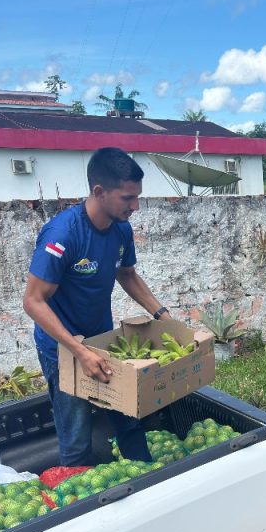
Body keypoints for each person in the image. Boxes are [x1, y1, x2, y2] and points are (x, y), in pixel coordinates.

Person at [22, 147, 170, 466]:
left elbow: (127, 275)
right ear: (99, 192)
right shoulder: (63, 234)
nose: (136, 206)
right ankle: (85, 506)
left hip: (101, 342)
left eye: (137, 197)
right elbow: (33, 301)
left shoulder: (121, 229)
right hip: (62, 348)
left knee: (128, 416)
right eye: (128, 198)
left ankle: (147, 483)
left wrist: (163, 316)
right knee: (76, 434)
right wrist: (80, 352)